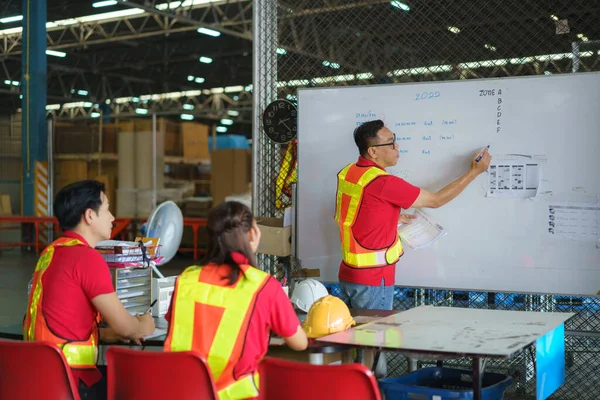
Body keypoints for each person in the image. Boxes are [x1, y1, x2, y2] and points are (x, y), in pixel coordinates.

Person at [336, 120, 492, 311]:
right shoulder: (384, 183)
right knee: (374, 337)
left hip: (349, 275)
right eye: (391, 142)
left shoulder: (350, 172)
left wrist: (391, 218)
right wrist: (474, 172)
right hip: (374, 279)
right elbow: (437, 200)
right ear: (373, 151)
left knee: (353, 334)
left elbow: (356, 211)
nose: (397, 146)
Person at [23, 180, 156, 399]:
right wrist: (144, 325)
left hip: (38, 380)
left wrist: (105, 334)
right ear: (89, 216)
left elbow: (59, 323)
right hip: (71, 383)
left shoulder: (51, 252)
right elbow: (127, 328)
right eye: (107, 209)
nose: (113, 217)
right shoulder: (87, 258)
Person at [164, 201, 307, 400]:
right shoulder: (263, 286)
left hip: (181, 393)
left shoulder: (186, 278)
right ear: (252, 235)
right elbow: (300, 343)